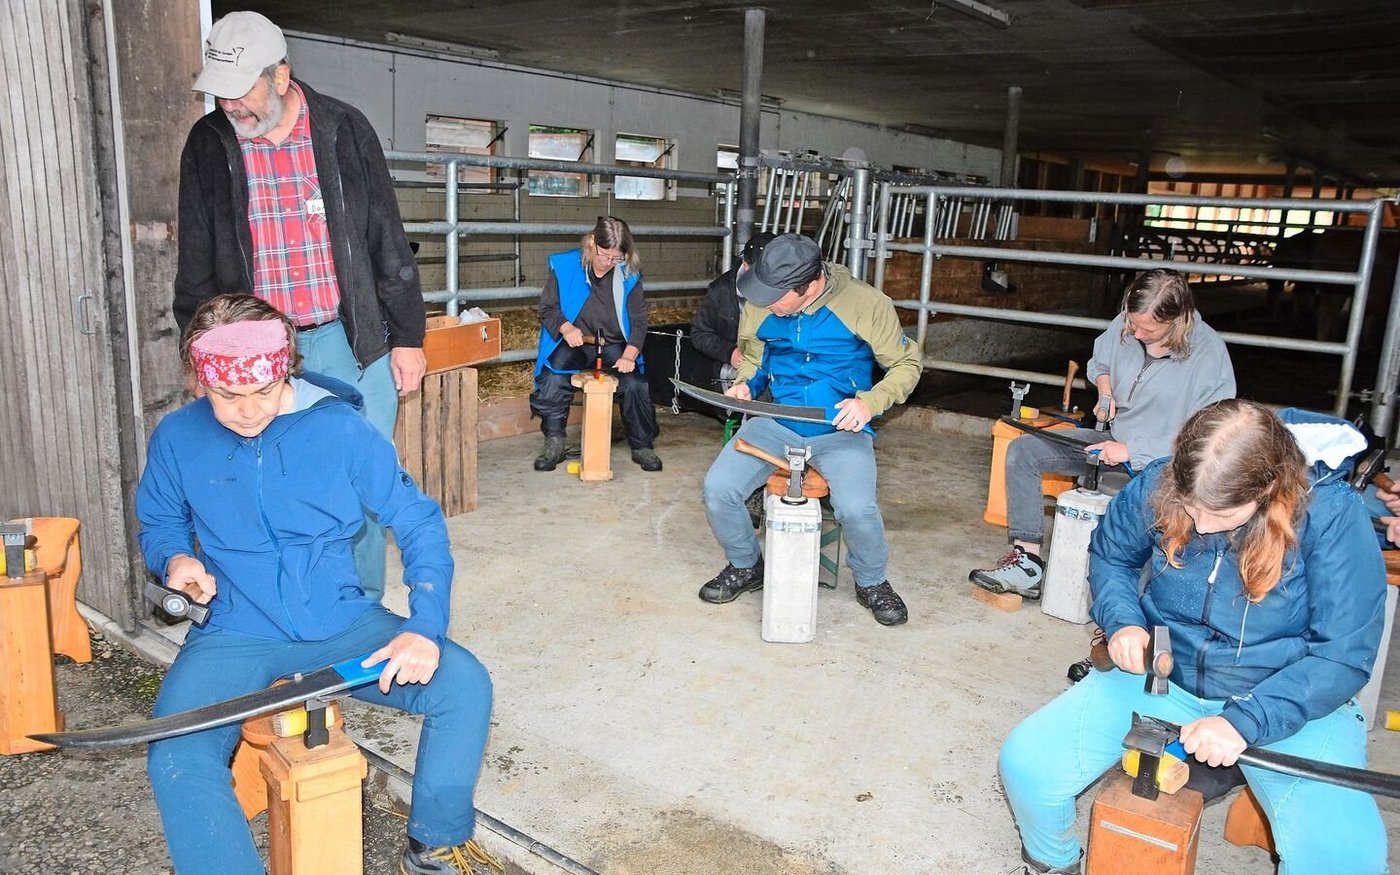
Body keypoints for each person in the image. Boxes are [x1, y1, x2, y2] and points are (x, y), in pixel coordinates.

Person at [140, 294, 492, 875]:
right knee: (177, 755)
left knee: (464, 686)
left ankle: (434, 843)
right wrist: (176, 560)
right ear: (199, 381)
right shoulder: (178, 436)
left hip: (342, 623)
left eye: (264, 392)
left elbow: (418, 522)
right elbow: (159, 521)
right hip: (235, 631)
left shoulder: (340, 428)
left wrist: (425, 628)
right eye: (227, 396)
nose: (247, 411)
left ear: (287, 369)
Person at [998, 399, 1388, 875]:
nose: (1200, 525)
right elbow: (1112, 555)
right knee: (1028, 766)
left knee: (1345, 859)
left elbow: (1343, 654)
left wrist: (1246, 720)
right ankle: (1054, 864)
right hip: (1165, 674)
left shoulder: (1331, 514)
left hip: (1284, 693)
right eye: (1190, 506)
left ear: (1268, 490)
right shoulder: (1162, 480)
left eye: (1222, 514)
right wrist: (1123, 621)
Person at [174, 10, 427, 600]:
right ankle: (282, 608)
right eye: (220, 93)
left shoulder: (343, 129)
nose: (229, 105)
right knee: (266, 482)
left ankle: (357, 610)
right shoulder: (209, 144)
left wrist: (408, 337)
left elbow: (386, 237)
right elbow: (195, 258)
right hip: (256, 353)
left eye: (241, 91)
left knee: (359, 484)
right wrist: (202, 356)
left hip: (347, 339)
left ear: (281, 76)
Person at [698, 233, 923, 625]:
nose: (764, 303)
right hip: (776, 420)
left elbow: (907, 364)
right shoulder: (763, 302)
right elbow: (755, 358)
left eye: (775, 296)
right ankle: (746, 564)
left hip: (839, 427)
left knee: (856, 509)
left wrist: (868, 403)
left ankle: (872, 581)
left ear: (808, 286)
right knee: (718, 488)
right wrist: (747, 384)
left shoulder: (865, 305)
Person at [970, 268, 1235, 599]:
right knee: (1024, 450)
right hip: (1113, 442)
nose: (1136, 333)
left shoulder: (1209, 355)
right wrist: (1106, 392)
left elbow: (1209, 437)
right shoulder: (1128, 323)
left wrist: (1133, 450)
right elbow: (1101, 362)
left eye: (1148, 329)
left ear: (1177, 321)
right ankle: (1027, 563)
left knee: (1159, 523)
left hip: (1170, 464)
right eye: (1133, 324)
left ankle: (1147, 585)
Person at [531, 216, 662, 472]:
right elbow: (547, 308)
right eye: (604, 255)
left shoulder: (629, 274)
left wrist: (629, 355)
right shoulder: (565, 266)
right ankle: (554, 443)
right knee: (553, 377)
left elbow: (639, 321)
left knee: (634, 383)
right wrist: (566, 327)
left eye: (616, 258)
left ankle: (642, 445)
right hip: (574, 340)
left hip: (612, 343)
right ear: (592, 243)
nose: (608, 262)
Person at [690, 231, 777, 388]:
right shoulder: (720, 290)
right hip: (735, 370)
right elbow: (699, 333)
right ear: (745, 264)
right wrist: (729, 352)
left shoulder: (789, 289)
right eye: (757, 276)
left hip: (778, 368)